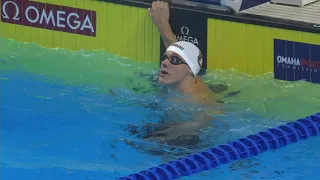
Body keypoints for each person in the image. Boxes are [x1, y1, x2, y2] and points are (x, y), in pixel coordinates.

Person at [124, 1, 228, 155]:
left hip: (192, 140)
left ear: (189, 70)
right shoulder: (184, 73)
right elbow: (177, 50)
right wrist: (161, 23)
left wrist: (165, 135)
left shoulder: (197, 101)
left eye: (174, 60)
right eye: (165, 57)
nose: (165, 63)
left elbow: (207, 119)